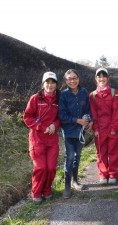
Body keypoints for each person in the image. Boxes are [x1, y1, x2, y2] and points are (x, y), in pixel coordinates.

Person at [23, 71, 60, 204]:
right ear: (43, 84)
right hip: (37, 139)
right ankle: (36, 192)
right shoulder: (35, 98)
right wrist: (41, 127)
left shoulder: (59, 99)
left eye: (53, 82)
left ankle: (47, 190)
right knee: (40, 167)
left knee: (50, 167)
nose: (50, 85)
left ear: (56, 84)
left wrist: (54, 125)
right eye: (47, 82)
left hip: (52, 139)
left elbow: (61, 118)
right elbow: (27, 117)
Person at [58, 69, 93, 199]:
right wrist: (77, 120)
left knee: (78, 156)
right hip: (68, 131)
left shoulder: (84, 93)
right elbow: (62, 115)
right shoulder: (63, 95)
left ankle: (75, 181)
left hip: (80, 132)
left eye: (74, 78)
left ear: (78, 78)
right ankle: (67, 186)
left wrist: (89, 120)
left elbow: (89, 109)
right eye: (69, 79)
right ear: (66, 81)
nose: (72, 81)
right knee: (70, 157)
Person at [89, 68, 118, 184]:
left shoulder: (114, 92)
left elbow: (116, 111)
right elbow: (93, 114)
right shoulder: (92, 95)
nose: (101, 79)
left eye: (104, 76)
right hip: (100, 129)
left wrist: (114, 128)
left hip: (113, 127)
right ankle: (103, 174)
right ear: (96, 79)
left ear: (108, 78)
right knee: (101, 153)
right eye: (99, 77)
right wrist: (96, 129)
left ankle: (113, 173)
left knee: (114, 151)